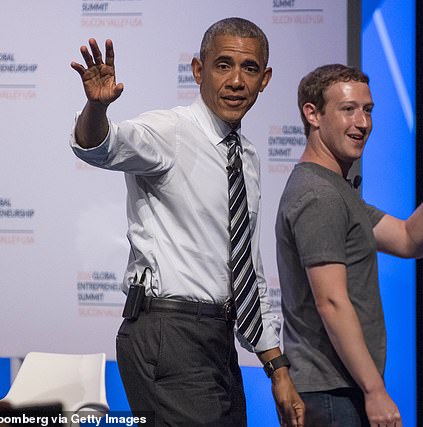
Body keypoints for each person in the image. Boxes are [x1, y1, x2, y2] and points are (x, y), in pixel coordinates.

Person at [70, 17, 304, 427]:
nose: (236, 80)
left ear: (265, 79)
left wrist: (277, 366)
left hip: (218, 337)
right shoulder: (169, 131)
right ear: (199, 70)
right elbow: (98, 146)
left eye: (249, 68)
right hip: (168, 331)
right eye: (222, 65)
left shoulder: (245, 156)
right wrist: (97, 107)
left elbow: (247, 265)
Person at [275, 64, 423, 427]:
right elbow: (331, 301)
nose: (363, 123)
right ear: (312, 114)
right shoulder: (318, 194)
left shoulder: (335, 189)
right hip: (330, 393)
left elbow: (409, 239)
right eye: (348, 109)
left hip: (340, 390)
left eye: (367, 110)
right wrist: (374, 390)